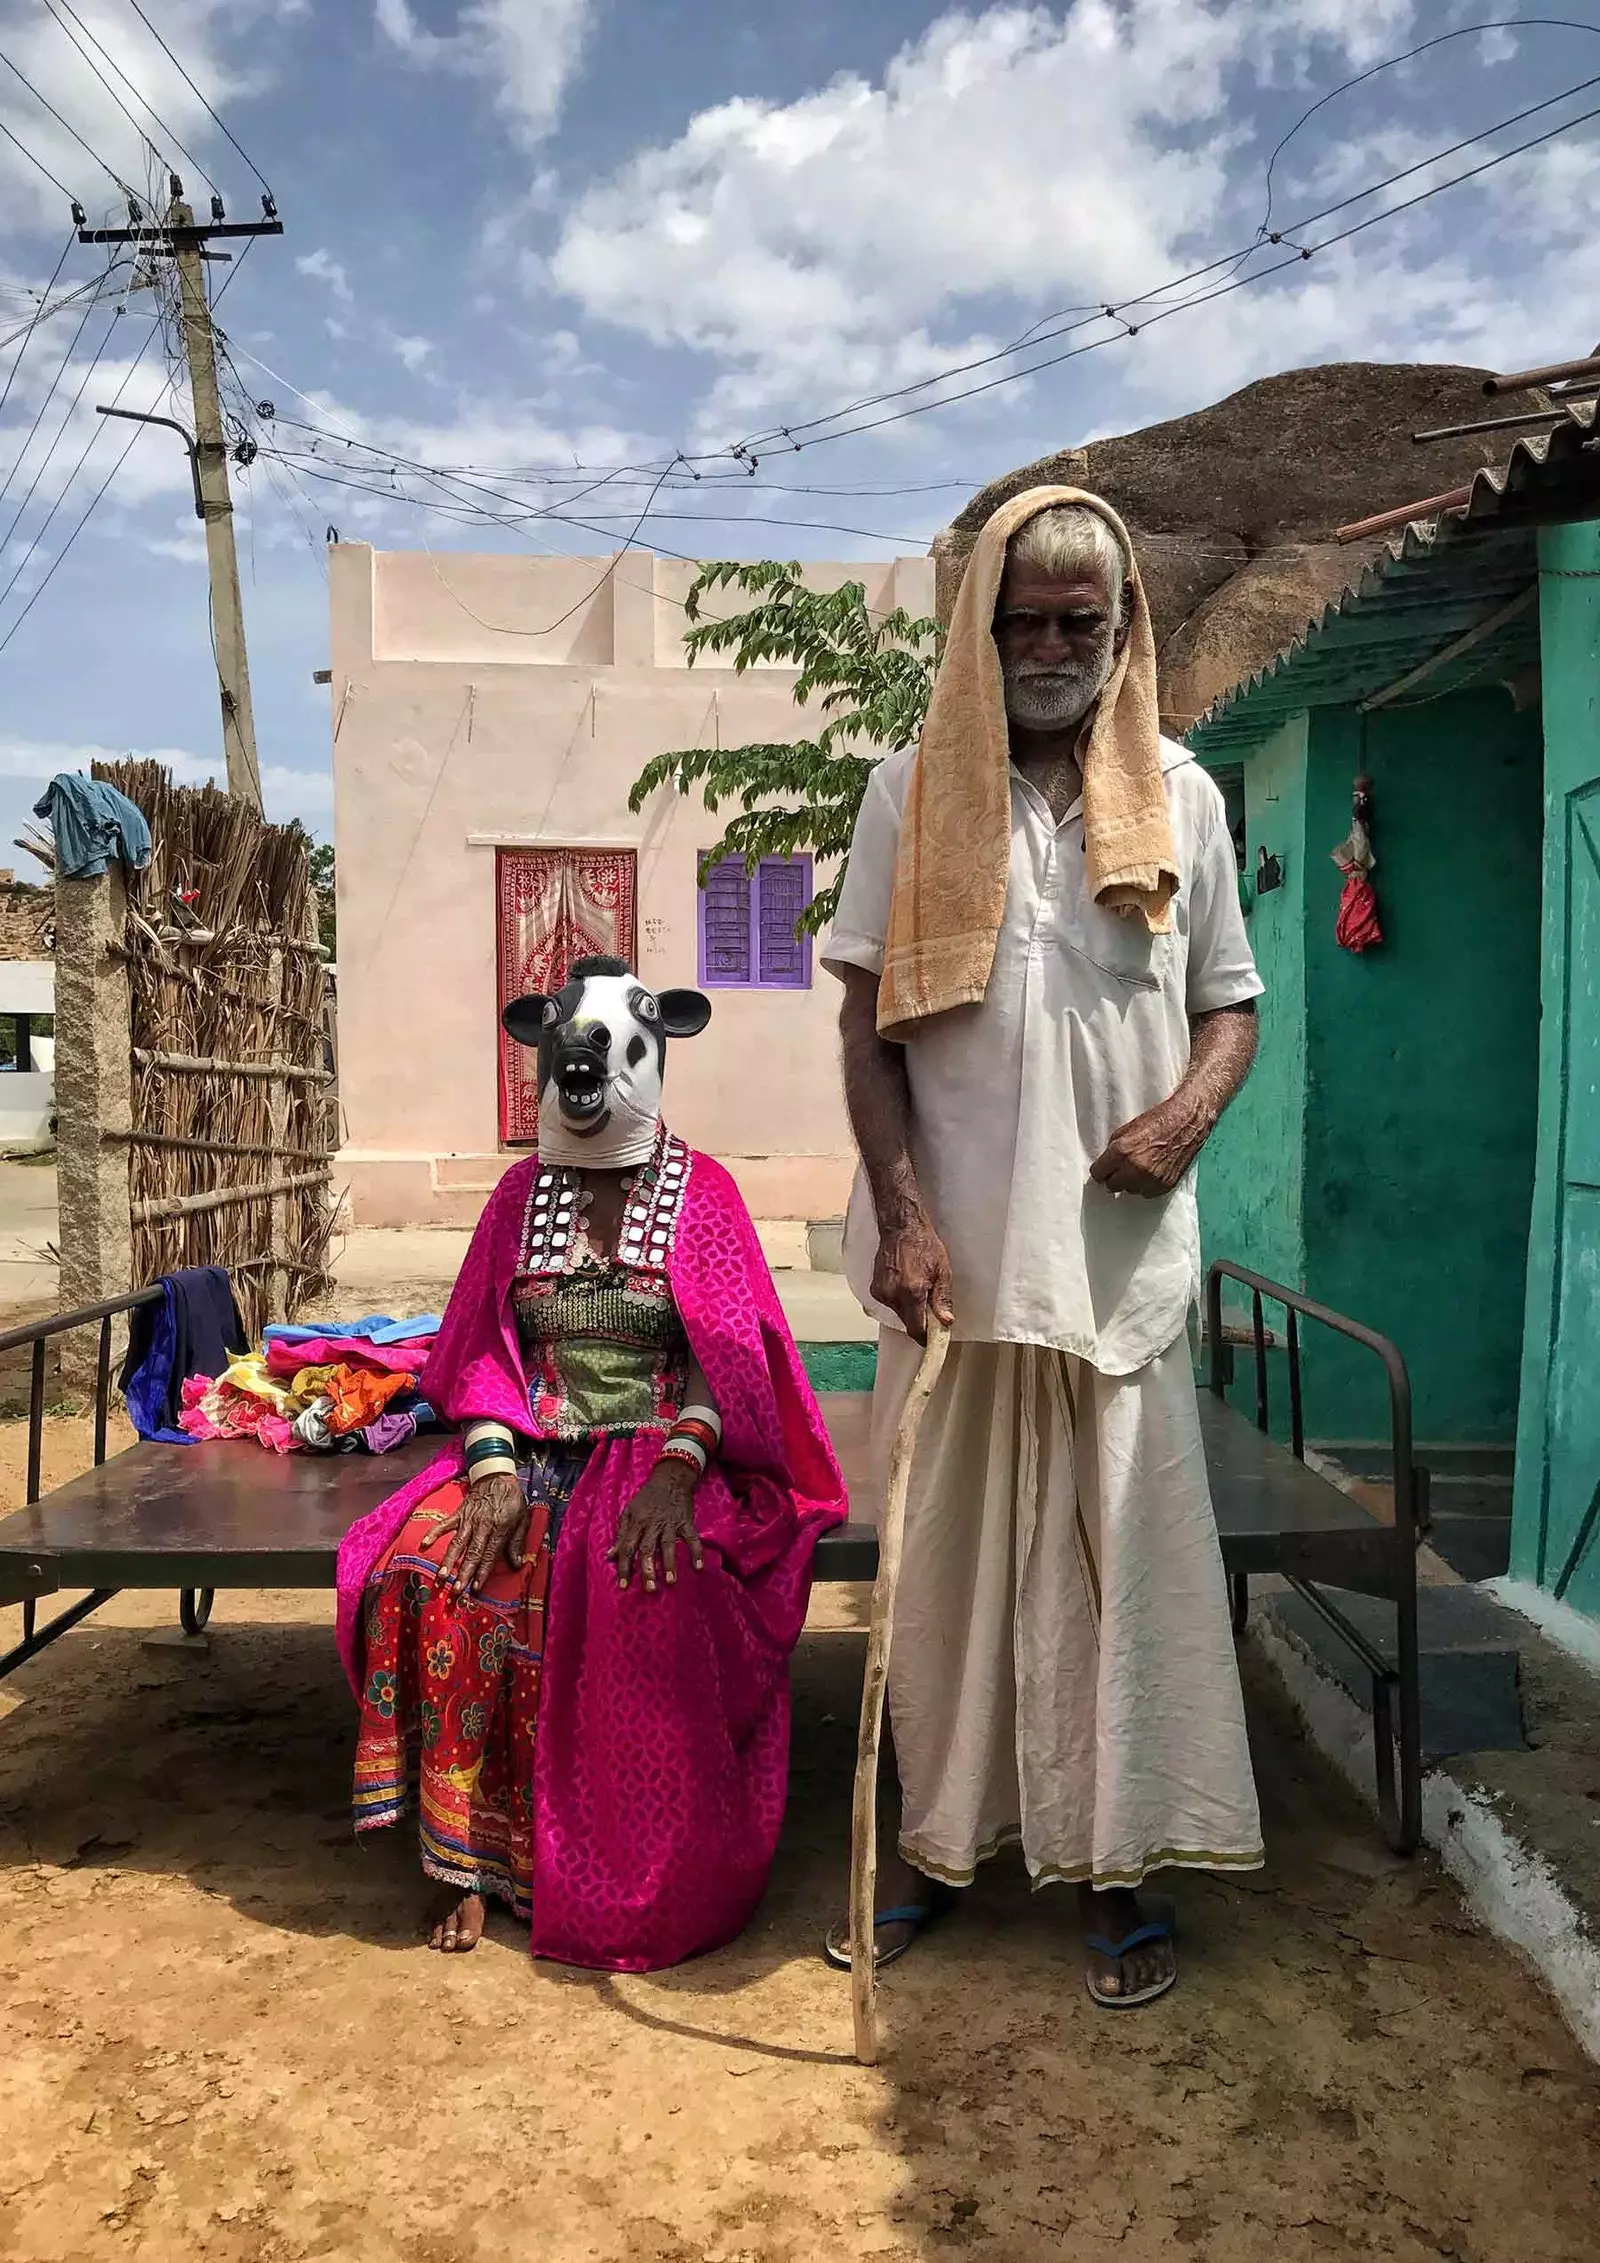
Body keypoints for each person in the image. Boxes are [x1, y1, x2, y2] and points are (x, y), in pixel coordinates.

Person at [821, 487, 1264, 2008]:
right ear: (984, 631)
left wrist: (1188, 1117)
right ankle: (937, 1850)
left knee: (1120, 1570)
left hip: (1116, 1261)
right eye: (1029, 620)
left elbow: (1231, 1004)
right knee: (940, 1579)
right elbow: (867, 1024)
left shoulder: (1187, 801)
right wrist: (906, 1211)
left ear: (1123, 630)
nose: (1056, 645)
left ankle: (1118, 1863)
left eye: (1085, 620)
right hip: (950, 1274)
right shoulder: (909, 792)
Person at [336, 958, 846, 1969]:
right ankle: (470, 1863)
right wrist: (488, 1467)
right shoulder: (519, 1193)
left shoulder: (704, 1195)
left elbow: (729, 1362)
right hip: (526, 1452)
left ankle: (625, 1871)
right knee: (431, 1577)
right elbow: (479, 1345)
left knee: (648, 1588)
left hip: (665, 1456)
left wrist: (673, 1473)